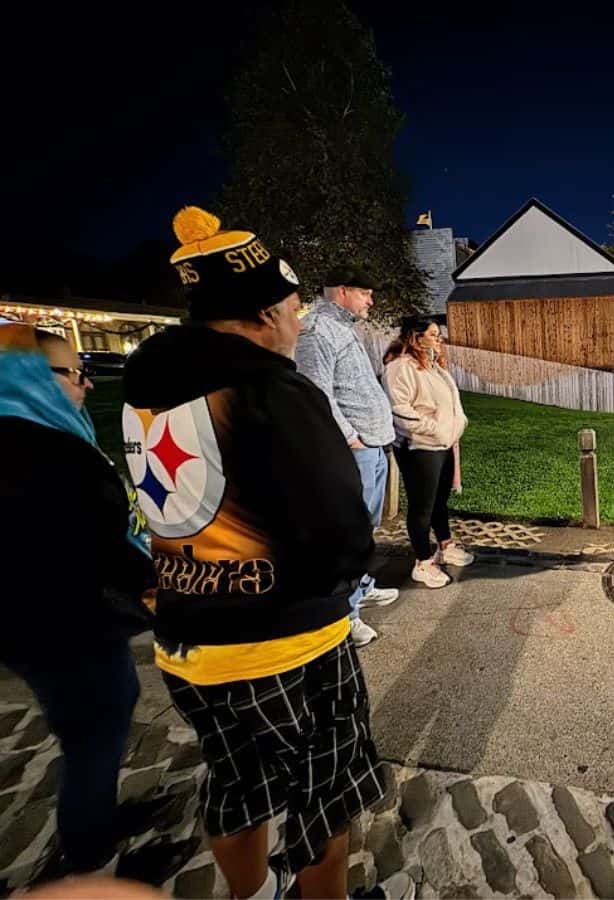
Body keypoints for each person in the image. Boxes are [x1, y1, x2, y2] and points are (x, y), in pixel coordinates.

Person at [122, 207, 405, 900]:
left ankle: (252, 896)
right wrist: (358, 570)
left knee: (234, 783)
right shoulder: (272, 390)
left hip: (187, 636)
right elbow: (338, 525)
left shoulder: (142, 388)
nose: (299, 324)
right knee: (322, 797)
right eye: (289, 309)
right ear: (259, 314)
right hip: (285, 642)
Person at [0, 325, 153, 876]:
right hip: (67, 626)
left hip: (35, 626)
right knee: (94, 736)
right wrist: (150, 579)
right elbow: (99, 542)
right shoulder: (49, 452)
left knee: (92, 726)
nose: (86, 385)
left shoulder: (26, 437)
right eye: (74, 373)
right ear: (32, 377)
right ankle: (91, 858)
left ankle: (97, 819)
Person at [294, 265, 399, 648]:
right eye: (365, 293)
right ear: (342, 291)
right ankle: (345, 616)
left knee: (365, 532)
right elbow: (317, 392)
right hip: (355, 451)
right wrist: (352, 439)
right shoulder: (317, 330)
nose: (371, 300)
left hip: (371, 446)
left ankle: (362, 586)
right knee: (348, 535)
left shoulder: (341, 328)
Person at [383, 318, 472, 588]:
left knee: (439, 501)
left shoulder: (431, 365)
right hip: (420, 447)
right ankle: (423, 562)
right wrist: (433, 429)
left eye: (439, 334)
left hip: (442, 444)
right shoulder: (400, 367)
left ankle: (446, 546)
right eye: (434, 334)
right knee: (422, 506)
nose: (439, 338)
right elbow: (400, 409)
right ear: (416, 337)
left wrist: (456, 425)